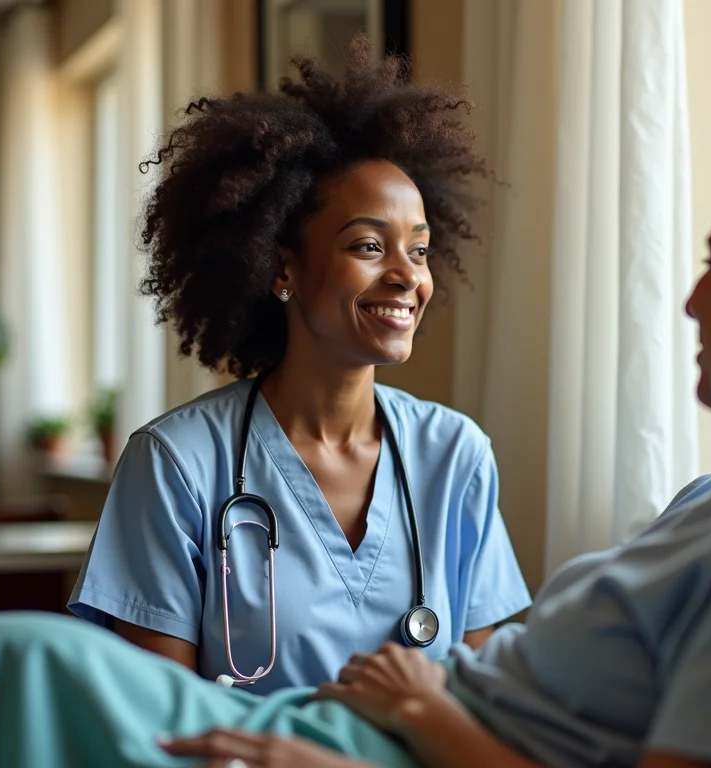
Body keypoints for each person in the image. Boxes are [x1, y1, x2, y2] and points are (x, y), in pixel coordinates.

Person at [0, 96, 711, 768]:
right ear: (280, 267)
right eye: (368, 246)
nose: (687, 302)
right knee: (11, 665)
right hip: (316, 730)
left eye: (709, 265)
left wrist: (406, 728)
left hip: (323, 749)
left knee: (5, 668)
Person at [66, 37, 531, 693]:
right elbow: (159, 715)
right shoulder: (177, 465)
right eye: (368, 246)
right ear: (281, 267)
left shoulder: (455, 456)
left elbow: (485, 696)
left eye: (420, 250)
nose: (407, 276)